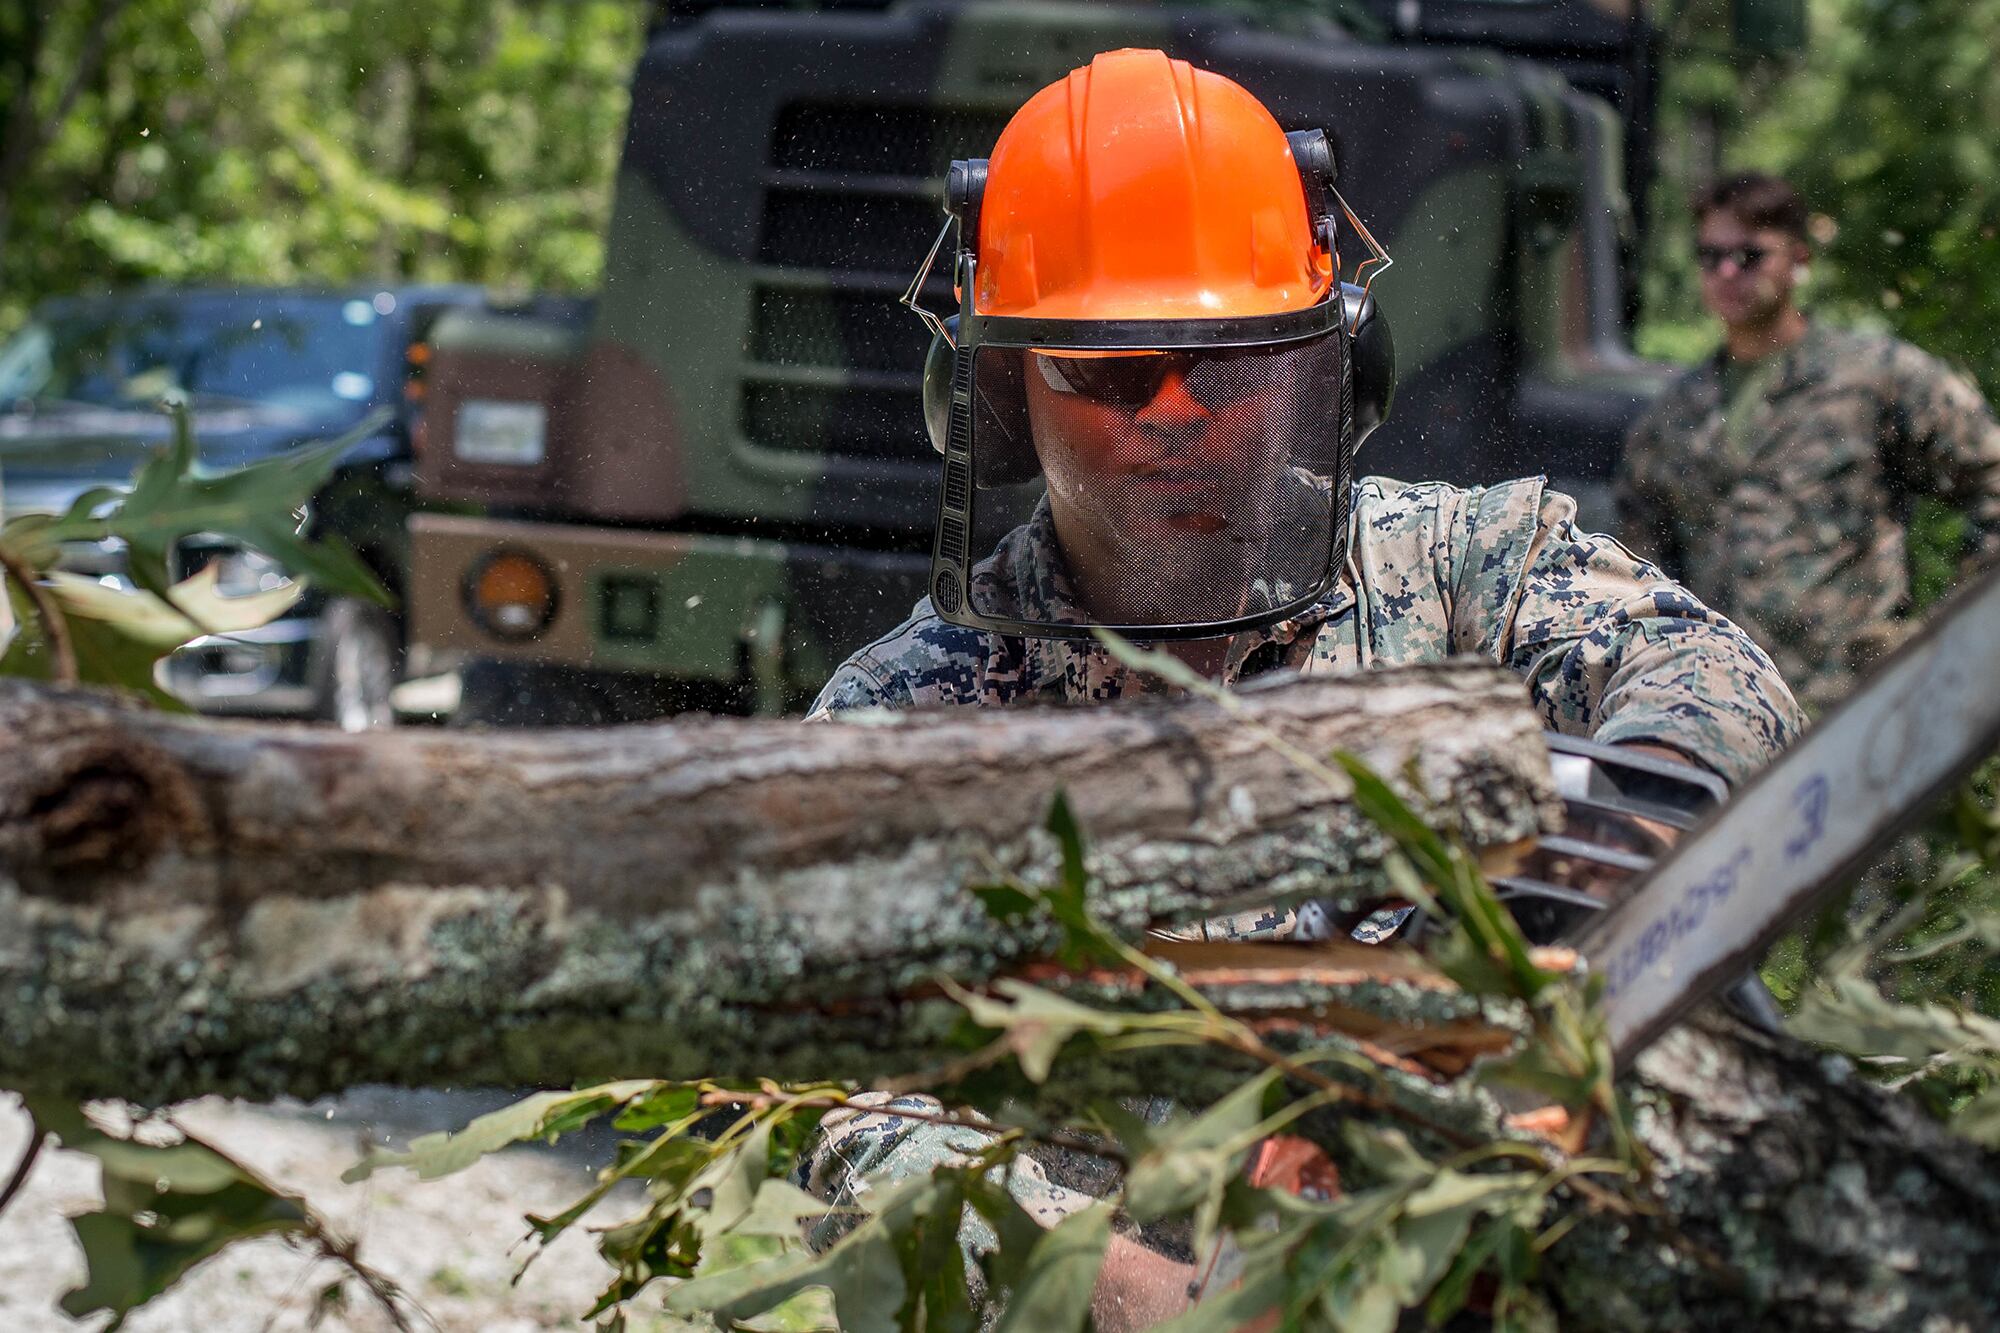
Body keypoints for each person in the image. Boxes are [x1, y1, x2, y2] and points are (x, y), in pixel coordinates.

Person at [800, 50, 1803, 1327]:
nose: (1172, 411)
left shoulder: (1463, 574)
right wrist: (1146, 1296)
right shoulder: (906, 717)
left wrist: (1581, 875)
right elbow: (854, 1112)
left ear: (1328, 361)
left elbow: (1712, 673)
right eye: (1111, 371)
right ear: (999, 394)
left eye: (1224, 360)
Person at [1617, 172, 2000, 713]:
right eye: (1711, 256)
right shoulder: (1672, 415)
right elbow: (1640, 569)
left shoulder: (1873, 378)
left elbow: (1991, 474)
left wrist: (1954, 641)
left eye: (1749, 256)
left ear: (1798, 258)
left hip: (1856, 715)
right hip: (1718, 712)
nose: (1727, 272)